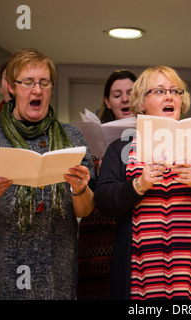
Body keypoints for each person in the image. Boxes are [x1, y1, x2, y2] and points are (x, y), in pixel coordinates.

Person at [0, 48, 95, 299]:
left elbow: (85, 209)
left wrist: (80, 189)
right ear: (12, 87)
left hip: (54, 268)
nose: (37, 90)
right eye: (28, 82)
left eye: (44, 83)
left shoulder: (72, 136)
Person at [94, 65, 191, 300]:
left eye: (176, 91)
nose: (170, 96)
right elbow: (104, 201)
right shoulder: (120, 148)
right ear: (141, 103)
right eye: (160, 91)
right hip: (139, 280)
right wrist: (138, 185)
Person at [77, 69, 137, 300]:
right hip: (97, 224)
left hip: (136, 219)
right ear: (107, 101)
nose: (125, 99)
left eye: (131, 93)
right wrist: (96, 169)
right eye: (117, 94)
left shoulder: (156, 132)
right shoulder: (92, 134)